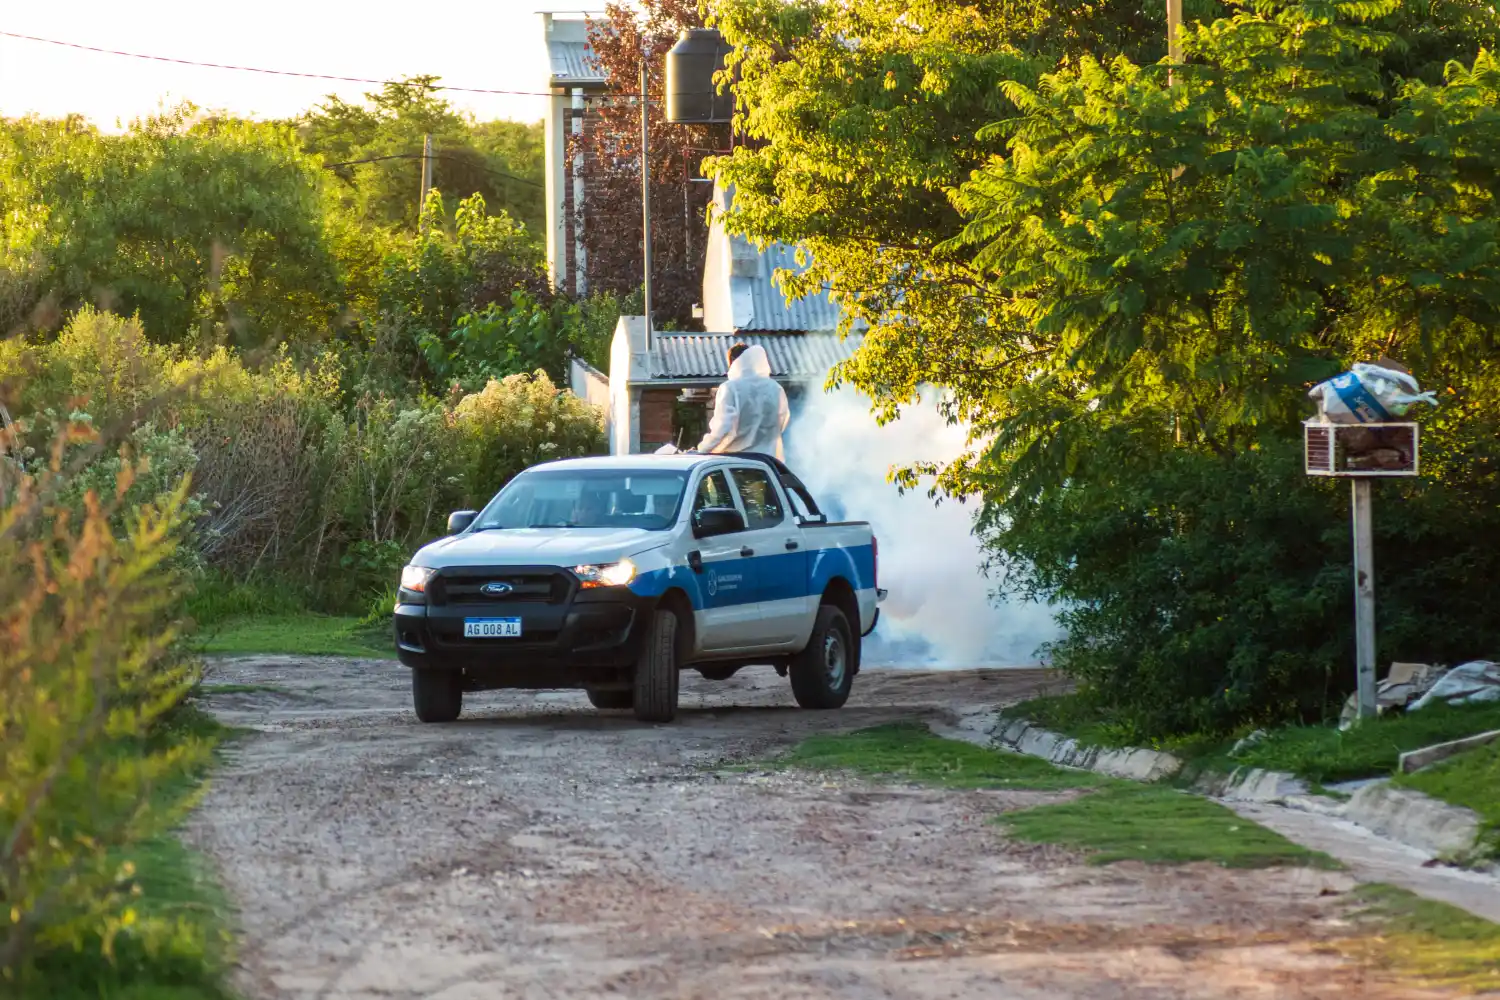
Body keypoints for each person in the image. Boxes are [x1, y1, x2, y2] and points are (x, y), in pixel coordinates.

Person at [694, 343, 790, 460]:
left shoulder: (730, 388)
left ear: (734, 361)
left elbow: (723, 428)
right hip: (769, 464)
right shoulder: (776, 388)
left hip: (738, 465)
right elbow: (782, 422)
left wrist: (702, 450)